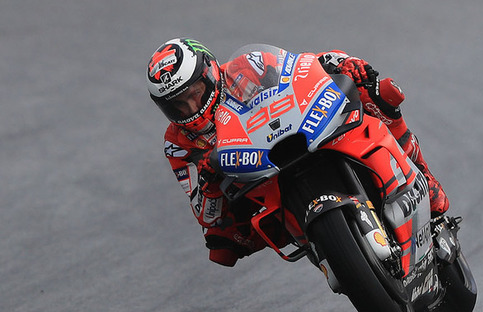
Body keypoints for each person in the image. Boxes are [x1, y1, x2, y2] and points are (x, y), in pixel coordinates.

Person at [147, 38, 449, 267]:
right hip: (257, 181)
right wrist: (208, 182)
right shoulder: (178, 143)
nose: (190, 109)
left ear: (210, 74)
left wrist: (343, 65)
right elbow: (204, 214)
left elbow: (304, 66)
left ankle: (422, 174)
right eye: (177, 105)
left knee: (377, 92)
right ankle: (331, 252)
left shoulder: (247, 67)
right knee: (221, 243)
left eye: (194, 95)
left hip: (299, 133)